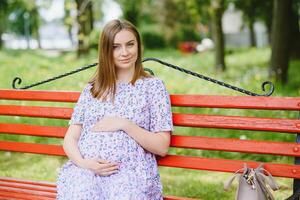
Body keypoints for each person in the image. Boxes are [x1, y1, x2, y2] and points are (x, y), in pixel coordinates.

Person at [56, 19, 173, 200]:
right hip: (86, 172)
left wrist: (123, 124)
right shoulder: (93, 89)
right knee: (81, 193)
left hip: (130, 174)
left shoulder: (153, 87)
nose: (124, 52)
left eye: (130, 44)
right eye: (115, 47)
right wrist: (85, 163)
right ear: (105, 51)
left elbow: (162, 146)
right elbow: (71, 137)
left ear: (138, 46)